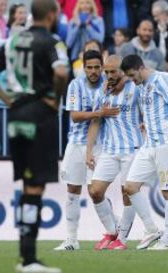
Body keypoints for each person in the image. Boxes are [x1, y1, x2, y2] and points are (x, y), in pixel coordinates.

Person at [0, 0, 69, 272]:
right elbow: (62, 72)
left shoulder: (13, 41)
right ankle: (28, 258)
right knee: (34, 187)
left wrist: (7, 99)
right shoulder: (53, 42)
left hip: (16, 114)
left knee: (28, 184)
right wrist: (54, 98)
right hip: (39, 115)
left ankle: (26, 255)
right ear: (52, 15)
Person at [86, 55, 161, 250]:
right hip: (109, 150)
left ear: (124, 71)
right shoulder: (102, 92)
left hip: (132, 149)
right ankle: (113, 231)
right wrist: (89, 151)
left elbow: (149, 98)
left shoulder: (136, 88)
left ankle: (122, 240)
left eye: (113, 71)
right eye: (107, 72)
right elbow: (95, 122)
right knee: (95, 191)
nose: (109, 75)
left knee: (127, 192)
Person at [54, 50, 119, 251]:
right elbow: (74, 116)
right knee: (72, 191)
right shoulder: (75, 85)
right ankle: (72, 240)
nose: (93, 71)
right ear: (83, 68)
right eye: (89, 67)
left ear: (102, 67)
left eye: (96, 67)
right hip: (75, 143)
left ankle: (114, 232)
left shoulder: (109, 86)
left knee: (95, 191)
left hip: (101, 144)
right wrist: (98, 112)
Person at [121, 54, 168, 250]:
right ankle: (151, 229)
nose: (132, 80)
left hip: (165, 143)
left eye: (133, 75)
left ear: (141, 68)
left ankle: (166, 240)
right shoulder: (140, 85)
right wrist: (146, 122)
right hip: (148, 144)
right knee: (130, 186)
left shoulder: (159, 80)